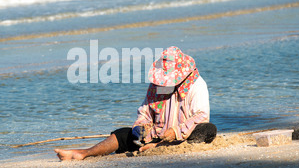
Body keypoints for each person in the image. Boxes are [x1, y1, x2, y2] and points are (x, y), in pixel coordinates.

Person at [54, 46, 217, 161]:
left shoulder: (196, 84)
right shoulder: (157, 86)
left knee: (208, 129)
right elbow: (145, 113)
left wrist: (176, 131)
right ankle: (84, 153)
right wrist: (141, 128)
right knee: (123, 133)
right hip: (156, 137)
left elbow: (202, 116)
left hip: (180, 138)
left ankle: (159, 147)